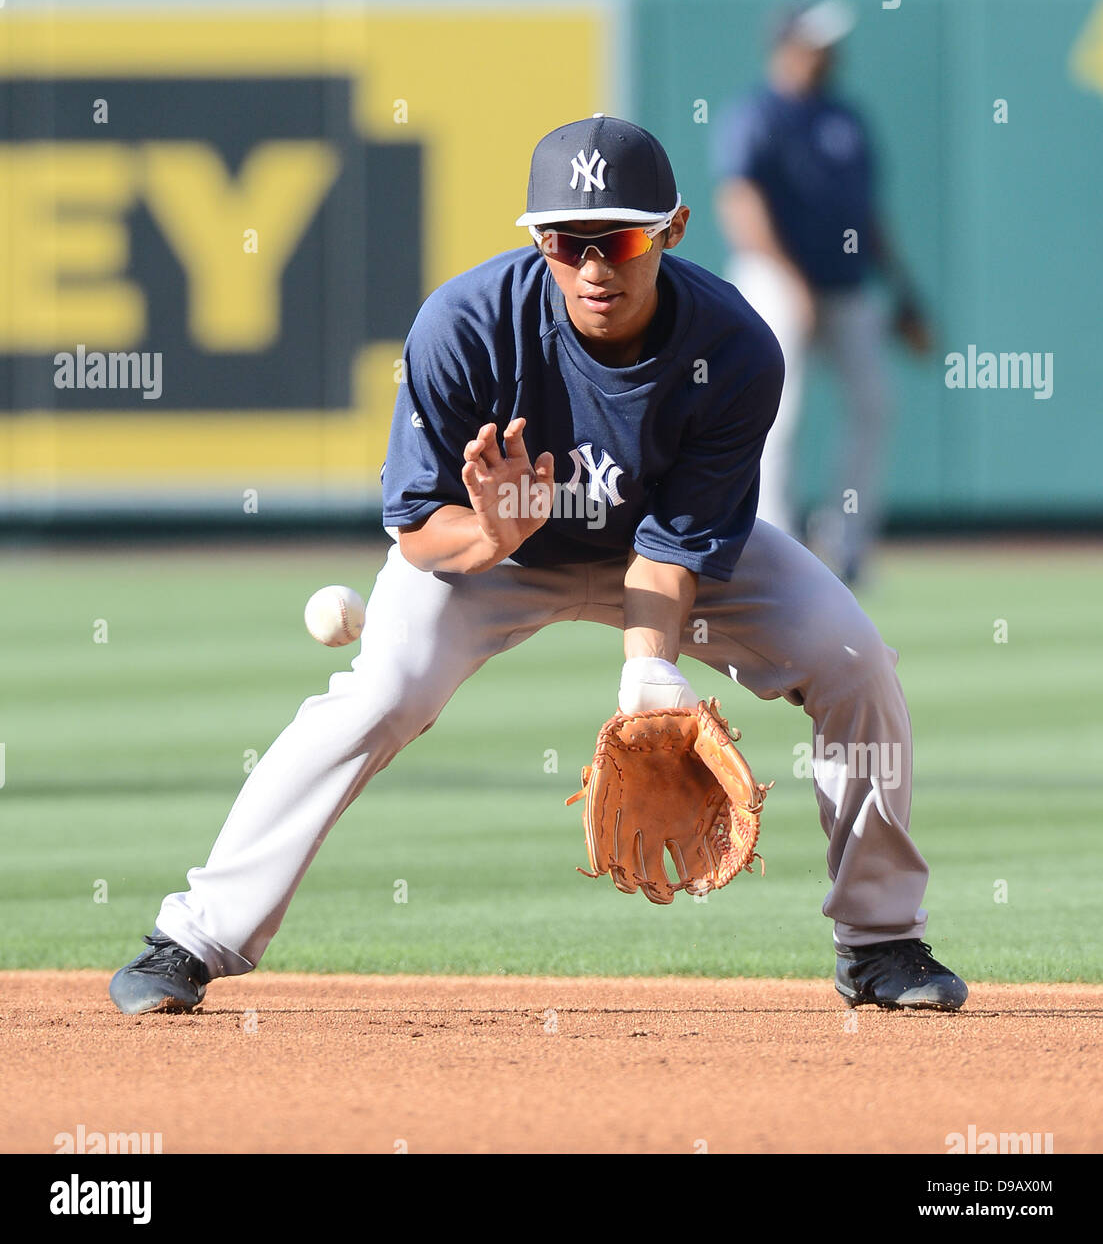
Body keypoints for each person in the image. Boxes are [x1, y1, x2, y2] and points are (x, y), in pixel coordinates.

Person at [109, 114, 966, 1016]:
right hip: (495, 556)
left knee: (856, 666)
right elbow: (414, 529)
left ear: (671, 230)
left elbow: (671, 549)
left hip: (665, 555)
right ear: (537, 241)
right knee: (377, 695)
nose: (596, 266)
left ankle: (879, 944)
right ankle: (194, 938)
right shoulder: (464, 325)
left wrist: (649, 676)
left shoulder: (733, 348)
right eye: (568, 241)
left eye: (623, 238)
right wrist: (490, 539)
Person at [713, 4, 931, 585]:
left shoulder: (846, 117)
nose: (830, 54)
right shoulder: (757, 113)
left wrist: (905, 295)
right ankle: (771, 541)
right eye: (817, 43)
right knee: (778, 409)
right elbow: (739, 202)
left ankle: (847, 541)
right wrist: (791, 281)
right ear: (787, 46)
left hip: (846, 284)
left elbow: (869, 214)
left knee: (875, 403)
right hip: (774, 279)